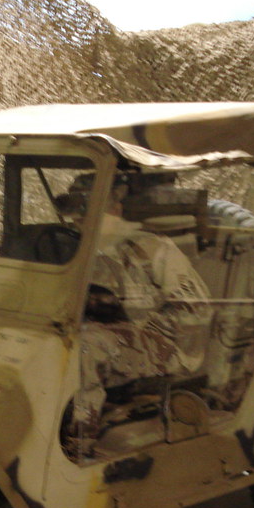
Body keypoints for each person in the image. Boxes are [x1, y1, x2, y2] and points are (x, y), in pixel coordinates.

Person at [69, 180, 211, 451]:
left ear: (117, 210)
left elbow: (196, 308)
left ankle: (81, 433)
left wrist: (138, 324)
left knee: (85, 346)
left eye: (95, 210)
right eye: (80, 212)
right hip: (109, 334)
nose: (83, 220)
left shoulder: (152, 248)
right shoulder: (80, 249)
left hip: (168, 343)